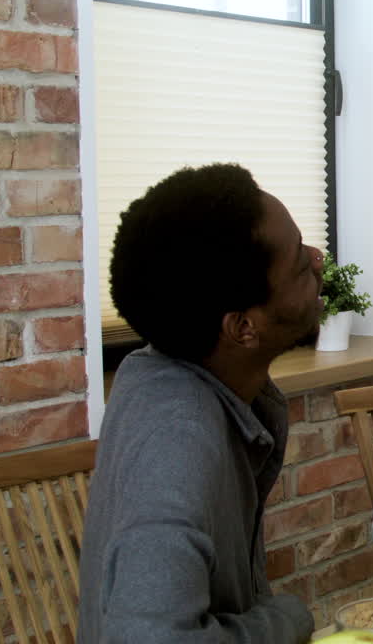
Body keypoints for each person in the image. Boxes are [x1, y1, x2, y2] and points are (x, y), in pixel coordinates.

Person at [78, 164, 319, 642]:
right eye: (297, 264)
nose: (316, 256)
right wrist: (288, 619)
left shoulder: (164, 373)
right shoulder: (176, 441)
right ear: (242, 328)